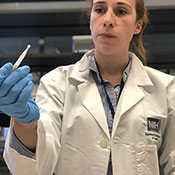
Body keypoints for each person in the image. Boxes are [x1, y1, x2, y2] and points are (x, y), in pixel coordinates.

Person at [0, 0, 175, 174]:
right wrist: (24, 120)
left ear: (137, 26)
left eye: (121, 11)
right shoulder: (56, 83)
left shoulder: (166, 89)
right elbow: (36, 166)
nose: (108, 20)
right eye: (99, 9)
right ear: (90, 20)